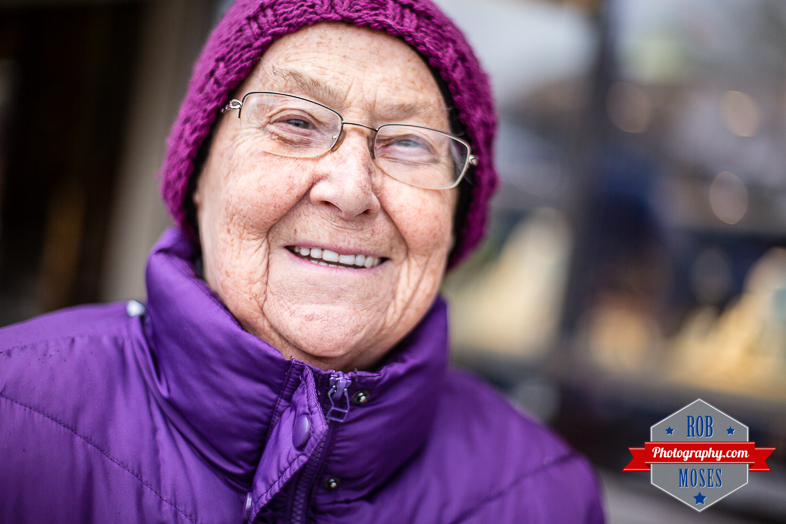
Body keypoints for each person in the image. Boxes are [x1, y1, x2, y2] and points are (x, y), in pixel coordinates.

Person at [0, 0, 604, 522]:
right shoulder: (14, 411)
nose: (350, 189)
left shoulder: (547, 497)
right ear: (201, 175)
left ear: (453, 224)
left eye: (408, 142)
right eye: (295, 121)